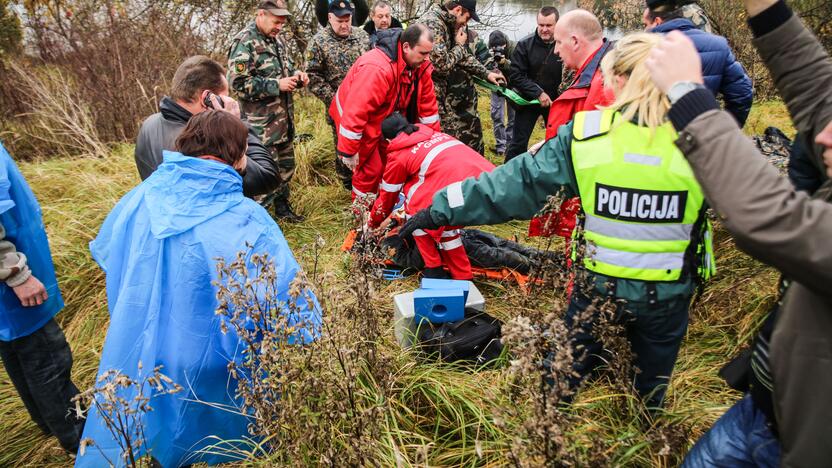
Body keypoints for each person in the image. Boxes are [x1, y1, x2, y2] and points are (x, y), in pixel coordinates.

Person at [400, 33, 717, 409]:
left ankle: (547, 432)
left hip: (597, 288)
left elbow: (512, 186)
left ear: (616, 81)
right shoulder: (705, 137)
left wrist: (440, 208)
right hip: (669, 294)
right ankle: (649, 432)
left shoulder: (587, 137)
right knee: (650, 389)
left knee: (561, 377)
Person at [643, 0, 831, 464]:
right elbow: (817, 93)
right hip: (763, 407)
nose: (823, 136)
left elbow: (767, 217)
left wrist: (689, 96)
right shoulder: (724, 46)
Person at [76, 111, 321, 467]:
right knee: (216, 437)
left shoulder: (139, 197)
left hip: (147, 351)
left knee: (162, 427)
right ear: (238, 156)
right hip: (215, 361)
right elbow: (287, 296)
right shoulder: (245, 215)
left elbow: (111, 254)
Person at [0, 141, 83, 455]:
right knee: (47, 356)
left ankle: (50, 422)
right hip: (12, 281)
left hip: (10, 281)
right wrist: (16, 273)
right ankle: (79, 437)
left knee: (18, 350)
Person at [367, 113, 495, 279]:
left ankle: (434, 270)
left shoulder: (399, 156)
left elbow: (387, 197)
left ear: (389, 140)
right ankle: (463, 277)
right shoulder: (436, 135)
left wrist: (372, 222)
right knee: (447, 230)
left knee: (416, 212)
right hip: (488, 182)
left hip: (457, 189)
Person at [135, 56, 280, 199]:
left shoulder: (148, 125)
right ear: (207, 98)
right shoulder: (203, 141)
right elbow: (267, 177)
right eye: (224, 97)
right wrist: (234, 123)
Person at [330, 24, 440, 201]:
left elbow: (428, 108)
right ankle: (361, 216)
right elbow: (355, 111)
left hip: (383, 116)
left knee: (389, 162)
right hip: (357, 119)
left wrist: (433, 143)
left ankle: (381, 209)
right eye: (423, 53)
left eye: (429, 53)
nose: (427, 59)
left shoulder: (421, 67)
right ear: (406, 47)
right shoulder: (377, 68)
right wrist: (349, 151)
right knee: (369, 169)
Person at [227, 0, 310, 222]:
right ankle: (260, 221)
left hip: (283, 122)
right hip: (260, 128)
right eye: (276, 22)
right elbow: (237, 83)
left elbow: (287, 70)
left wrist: (298, 76)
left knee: (285, 169)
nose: (279, 27)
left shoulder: (277, 41)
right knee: (264, 175)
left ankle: (283, 212)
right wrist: (276, 85)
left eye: (282, 23)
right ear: (261, 14)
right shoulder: (244, 42)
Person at [643, 0, 753, 127]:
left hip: (654, 138)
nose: (644, 30)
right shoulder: (718, 45)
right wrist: (722, 131)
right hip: (702, 136)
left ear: (657, 21)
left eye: (645, 24)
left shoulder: (643, 50)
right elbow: (743, 94)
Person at [416, 0, 506, 144]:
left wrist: (486, 73)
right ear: (458, 10)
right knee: (438, 140)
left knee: (453, 137)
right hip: (428, 93)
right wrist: (459, 45)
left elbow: (462, 56)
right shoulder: (433, 23)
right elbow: (441, 64)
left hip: (441, 93)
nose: (466, 23)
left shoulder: (449, 23)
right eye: (467, 18)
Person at [307, 0, 370, 190]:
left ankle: (366, 180)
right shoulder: (318, 42)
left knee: (367, 144)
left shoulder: (362, 36)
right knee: (343, 147)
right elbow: (313, 76)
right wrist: (336, 99)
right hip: (338, 107)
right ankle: (346, 186)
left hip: (365, 103)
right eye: (339, 21)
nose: (344, 25)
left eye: (347, 19)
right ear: (329, 18)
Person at [545, 9, 615, 140]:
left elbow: (590, 147)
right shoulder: (593, 72)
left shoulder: (602, 87)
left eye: (559, 42)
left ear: (575, 42)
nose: (555, 50)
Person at [505, 7, 563, 162]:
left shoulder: (565, 44)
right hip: (529, 100)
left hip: (556, 102)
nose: (544, 29)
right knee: (518, 143)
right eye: (541, 25)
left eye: (549, 26)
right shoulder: (525, 44)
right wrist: (538, 92)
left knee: (557, 141)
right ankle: (508, 175)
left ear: (557, 24)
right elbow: (516, 75)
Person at [444, 29, 496, 154]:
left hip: (468, 103)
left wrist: (495, 72)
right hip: (445, 103)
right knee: (450, 146)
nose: (462, 25)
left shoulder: (472, 37)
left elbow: (486, 59)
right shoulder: (440, 36)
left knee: (474, 142)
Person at [488, 30, 516, 157]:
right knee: (497, 116)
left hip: (513, 87)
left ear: (506, 43)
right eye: (495, 47)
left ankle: (510, 146)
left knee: (513, 118)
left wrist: (504, 63)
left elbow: (518, 70)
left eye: (501, 46)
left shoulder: (515, 49)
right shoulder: (488, 52)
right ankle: (501, 147)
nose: (498, 49)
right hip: (497, 86)